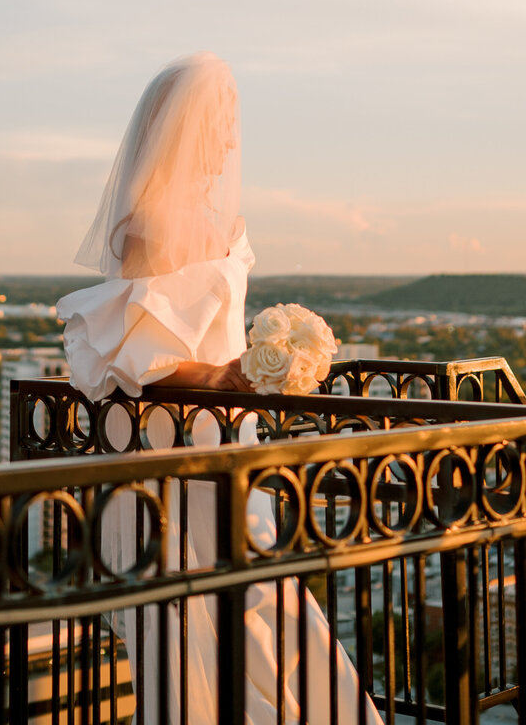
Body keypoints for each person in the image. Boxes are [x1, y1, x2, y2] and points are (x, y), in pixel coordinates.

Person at [57, 53, 381, 725]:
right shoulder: (146, 228)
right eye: (221, 123)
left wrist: (270, 366)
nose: (231, 140)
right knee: (207, 602)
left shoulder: (215, 220)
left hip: (226, 433)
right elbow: (145, 361)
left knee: (252, 592)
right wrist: (230, 378)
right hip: (185, 442)